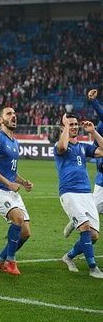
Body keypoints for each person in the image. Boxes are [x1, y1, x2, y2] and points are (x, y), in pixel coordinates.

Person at [0, 107, 32, 275]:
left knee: (26, 233)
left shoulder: (14, 141)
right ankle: (10, 261)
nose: (13, 116)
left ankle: (0, 259)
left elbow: (10, 171)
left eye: (14, 114)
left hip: (10, 190)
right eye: (9, 114)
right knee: (17, 218)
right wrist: (9, 184)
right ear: (0, 120)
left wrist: (23, 182)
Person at [55, 113, 103, 278]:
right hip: (69, 192)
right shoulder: (60, 145)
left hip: (86, 193)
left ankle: (68, 257)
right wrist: (66, 127)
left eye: (75, 124)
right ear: (64, 127)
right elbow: (62, 147)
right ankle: (93, 268)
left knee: (94, 236)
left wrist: (94, 132)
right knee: (85, 228)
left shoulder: (83, 147)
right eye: (70, 124)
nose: (74, 126)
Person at [64, 89, 102, 237]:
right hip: (102, 177)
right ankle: (76, 221)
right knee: (91, 210)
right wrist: (93, 101)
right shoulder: (100, 126)